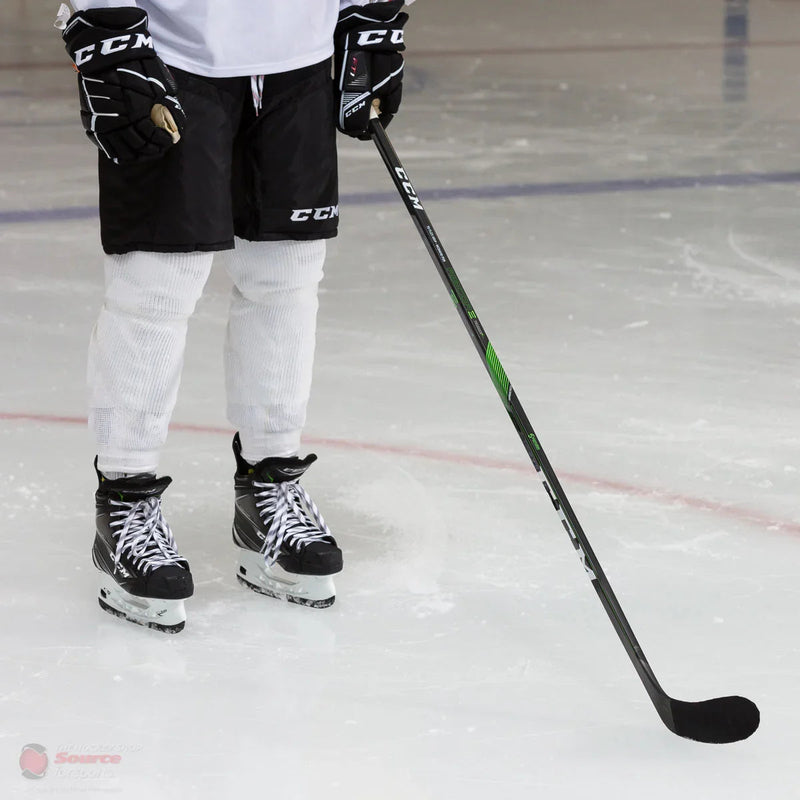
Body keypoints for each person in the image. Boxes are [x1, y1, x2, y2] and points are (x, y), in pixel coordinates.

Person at [56, 0, 411, 633]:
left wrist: (372, 11)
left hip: (302, 55)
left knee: (287, 274)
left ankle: (270, 483)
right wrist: (105, 28)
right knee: (158, 280)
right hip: (170, 52)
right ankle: (125, 500)